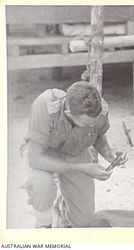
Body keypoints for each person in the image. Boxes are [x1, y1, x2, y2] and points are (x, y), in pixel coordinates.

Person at [20, 81, 127, 228]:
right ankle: (43, 223)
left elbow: (98, 135)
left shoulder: (100, 109)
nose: (91, 126)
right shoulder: (44, 105)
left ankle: (62, 204)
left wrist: (108, 153)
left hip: (75, 151)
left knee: (84, 222)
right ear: (68, 113)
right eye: (86, 123)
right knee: (42, 185)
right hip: (43, 154)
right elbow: (35, 159)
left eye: (93, 123)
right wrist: (80, 168)